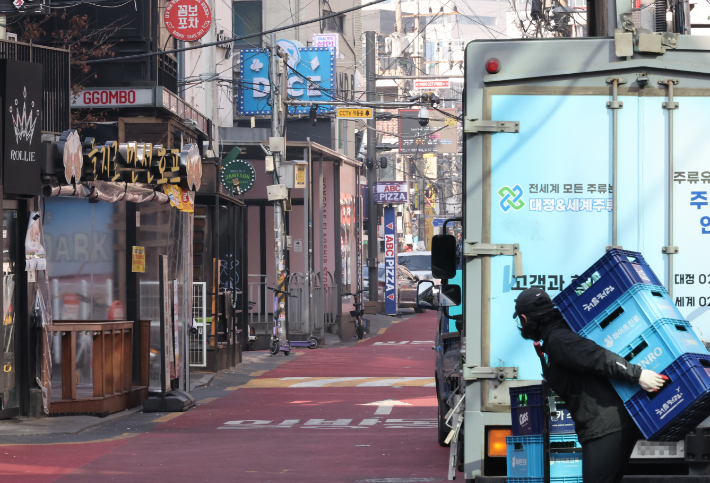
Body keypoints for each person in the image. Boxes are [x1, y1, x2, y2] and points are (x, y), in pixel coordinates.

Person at [513, 287, 666, 483]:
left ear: (525, 319)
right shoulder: (556, 336)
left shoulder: (559, 339)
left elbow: (597, 357)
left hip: (605, 426)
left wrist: (637, 374)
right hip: (605, 424)